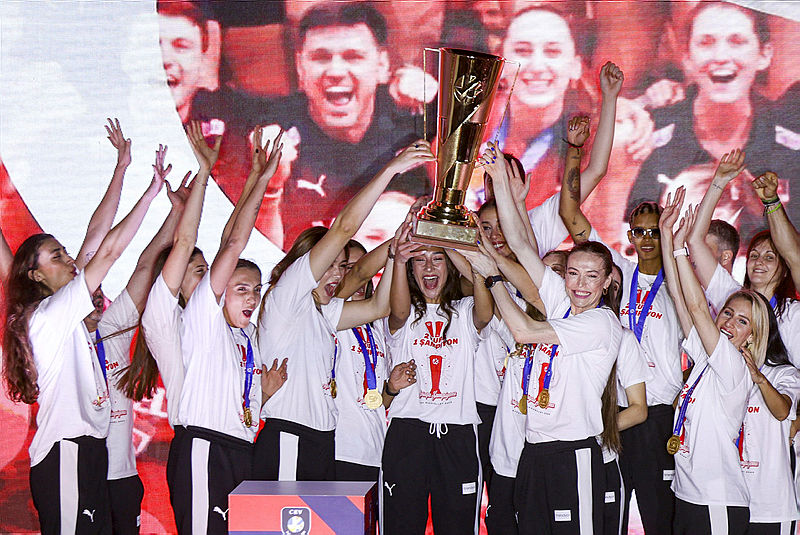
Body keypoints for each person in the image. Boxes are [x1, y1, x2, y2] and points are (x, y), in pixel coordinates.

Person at [2, 130, 166, 534]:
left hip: (89, 452)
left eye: (65, 252)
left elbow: (97, 236)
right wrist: (149, 195)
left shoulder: (65, 312)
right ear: (36, 275)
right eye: (57, 256)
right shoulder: (49, 315)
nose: (70, 259)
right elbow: (108, 250)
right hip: (67, 452)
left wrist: (122, 168)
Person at [254, 140, 434, 482]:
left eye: (340, 267)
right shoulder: (286, 297)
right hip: (290, 436)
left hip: (322, 442)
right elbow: (344, 229)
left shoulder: (323, 312)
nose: (338, 275)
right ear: (305, 264)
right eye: (331, 265)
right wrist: (391, 170)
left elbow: (379, 306)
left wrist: (396, 250)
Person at [473, 153, 623, 535]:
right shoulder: (561, 302)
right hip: (533, 452)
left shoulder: (602, 322)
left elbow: (524, 332)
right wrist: (501, 183)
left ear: (607, 282)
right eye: (573, 274)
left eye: (592, 276)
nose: (580, 284)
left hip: (572, 454)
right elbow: (521, 244)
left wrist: (493, 279)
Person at [560, 114, 683, 535]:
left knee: (659, 519)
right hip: (609, 410)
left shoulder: (680, 286)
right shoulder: (617, 274)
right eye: (640, 232)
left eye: (654, 232)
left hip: (656, 415)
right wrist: (574, 152)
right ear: (630, 236)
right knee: (604, 517)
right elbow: (571, 214)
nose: (647, 239)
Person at [169, 127, 287, 534]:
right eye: (241, 289)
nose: (252, 297)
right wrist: (263, 181)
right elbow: (231, 244)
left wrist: (263, 394)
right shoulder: (205, 317)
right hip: (207, 447)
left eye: (256, 290)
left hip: (242, 449)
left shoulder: (247, 336)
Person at [251, 2, 431, 248]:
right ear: (300, 67)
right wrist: (269, 188)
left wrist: (441, 104)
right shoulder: (271, 131)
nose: (335, 71)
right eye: (321, 58)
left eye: (353, 57)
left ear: (382, 65)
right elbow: (261, 254)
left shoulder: (416, 120)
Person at [116, 121, 221, 519]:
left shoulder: (222, 323)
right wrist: (204, 176)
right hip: (195, 446)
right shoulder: (163, 315)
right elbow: (182, 245)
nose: (209, 279)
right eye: (198, 271)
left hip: (229, 447)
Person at [630, 2, 800, 232]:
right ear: (686, 57)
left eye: (737, 42)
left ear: (764, 54)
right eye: (706, 43)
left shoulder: (792, 142)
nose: (721, 56)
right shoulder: (648, 135)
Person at [380, 215, 494, 535]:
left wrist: (450, 243)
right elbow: (399, 311)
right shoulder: (403, 314)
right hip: (408, 433)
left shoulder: (465, 310)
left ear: (450, 266)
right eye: (420, 260)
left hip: (457, 434)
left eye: (438, 259)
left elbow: (485, 312)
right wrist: (399, 260)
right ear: (411, 269)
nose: (429, 267)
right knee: (401, 526)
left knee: (458, 527)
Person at [659, 193, 763, 535]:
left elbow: (697, 308)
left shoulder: (734, 365)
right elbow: (679, 297)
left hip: (717, 502)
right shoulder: (707, 357)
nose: (730, 323)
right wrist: (667, 238)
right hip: (688, 494)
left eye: (742, 322)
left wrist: (680, 250)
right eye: (728, 313)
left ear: (752, 337)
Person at [684, 150, 800, 366]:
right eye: (754, 255)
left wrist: (771, 202)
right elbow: (695, 241)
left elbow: (795, 255)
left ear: (785, 269)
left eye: (769, 257)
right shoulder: (731, 296)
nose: (759, 261)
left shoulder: (792, 314)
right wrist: (719, 182)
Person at [332, 238, 417, 483]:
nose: (361, 276)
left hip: (374, 451)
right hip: (339, 450)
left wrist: (391, 388)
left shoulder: (377, 326)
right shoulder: (326, 319)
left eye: (364, 268)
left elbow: (379, 402)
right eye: (347, 268)